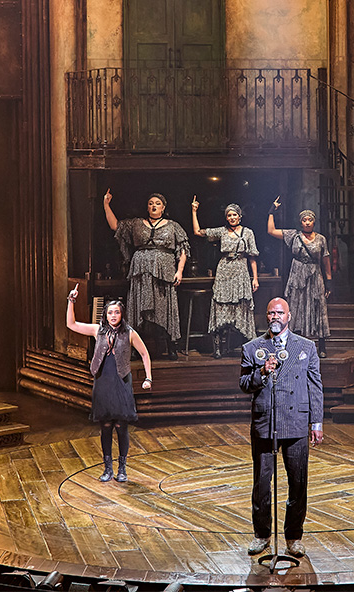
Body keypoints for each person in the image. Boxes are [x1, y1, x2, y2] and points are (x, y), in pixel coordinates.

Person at [239, 298, 323, 558]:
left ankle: (293, 537)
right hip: (266, 424)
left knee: (298, 482)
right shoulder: (253, 348)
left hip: (296, 422)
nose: (275, 317)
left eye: (279, 313)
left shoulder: (306, 347)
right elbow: (244, 384)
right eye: (270, 313)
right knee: (262, 484)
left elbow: (315, 386)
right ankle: (262, 534)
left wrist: (316, 422)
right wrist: (262, 372)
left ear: (289, 316)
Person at [66, 285, 153, 483]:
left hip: (121, 381)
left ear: (122, 314)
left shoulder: (129, 333)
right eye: (110, 312)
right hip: (103, 380)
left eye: (117, 312)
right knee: (105, 425)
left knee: (121, 425)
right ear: (105, 314)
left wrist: (148, 378)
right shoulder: (98, 330)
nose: (113, 316)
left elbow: (144, 353)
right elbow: (71, 324)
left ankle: (122, 468)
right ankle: (108, 468)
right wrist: (71, 301)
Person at [105, 189, 190, 360]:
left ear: (163, 207)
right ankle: (134, 347)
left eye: (157, 203)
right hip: (141, 271)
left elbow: (183, 249)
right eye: (151, 203)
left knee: (164, 307)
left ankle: (171, 346)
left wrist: (180, 271)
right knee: (138, 308)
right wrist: (106, 204)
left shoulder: (173, 226)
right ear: (147, 207)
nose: (154, 206)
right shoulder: (136, 223)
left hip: (163, 273)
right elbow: (116, 226)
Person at [192, 198, 259, 358]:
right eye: (229, 215)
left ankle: (247, 347)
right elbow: (198, 232)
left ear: (240, 216)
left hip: (241, 270)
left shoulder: (248, 232)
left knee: (242, 306)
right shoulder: (222, 231)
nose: (232, 217)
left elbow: (252, 257)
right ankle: (217, 348)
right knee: (220, 305)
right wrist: (194, 211)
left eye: (234, 214)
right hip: (224, 270)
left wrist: (255, 278)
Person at [266, 198, 332, 357]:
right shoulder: (294, 236)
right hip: (297, 274)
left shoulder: (321, 239)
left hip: (315, 274)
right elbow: (271, 231)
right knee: (296, 307)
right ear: (301, 222)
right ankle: (294, 345)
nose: (307, 222)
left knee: (318, 307)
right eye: (304, 220)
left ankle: (321, 346)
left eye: (310, 220)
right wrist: (271, 212)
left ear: (314, 222)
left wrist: (329, 281)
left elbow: (326, 260)